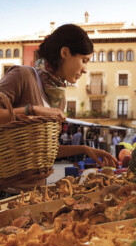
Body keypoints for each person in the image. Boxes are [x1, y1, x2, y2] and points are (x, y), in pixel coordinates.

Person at [0, 24, 118, 188]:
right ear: (64, 53)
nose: (85, 70)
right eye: (84, 60)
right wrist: (31, 110)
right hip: (6, 194)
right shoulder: (22, 75)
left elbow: (47, 149)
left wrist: (84, 149)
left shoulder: (59, 98)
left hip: (35, 193)